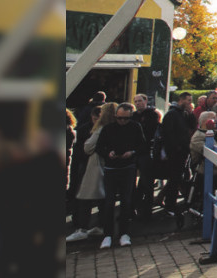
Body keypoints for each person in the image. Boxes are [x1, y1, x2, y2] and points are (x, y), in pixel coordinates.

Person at [96, 102, 145, 248]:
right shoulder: (108, 128)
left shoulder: (135, 127)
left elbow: (142, 145)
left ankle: (124, 233)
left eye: (125, 118)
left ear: (131, 116)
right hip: (111, 168)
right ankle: (108, 235)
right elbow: (99, 147)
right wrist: (108, 153)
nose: (122, 121)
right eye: (119, 118)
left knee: (126, 201)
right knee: (109, 203)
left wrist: (132, 152)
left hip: (128, 167)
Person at [66, 105, 109, 242]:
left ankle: (83, 227)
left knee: (85, 196)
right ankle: (93, 225)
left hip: (91, 165)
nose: (95, 120)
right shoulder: (87, 128)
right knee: (96, 197)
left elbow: (87, 148)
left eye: (97, 118)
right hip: (90, 165)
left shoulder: (98, 129)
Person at [159, 91, 196, 218]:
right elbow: (167, 134)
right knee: (174, 179)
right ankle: (170, 205)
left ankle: (167, 201)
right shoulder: (172, 114)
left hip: (182, 152)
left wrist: (191, 113)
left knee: (177, 178)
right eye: (188, 100)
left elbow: (192, 125)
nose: (190, 103)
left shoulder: (184, 114)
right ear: (181, 100)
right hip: (175, 153)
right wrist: (176, 148)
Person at [131, 93, 161, 220]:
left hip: (146, 152)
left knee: (147, 182)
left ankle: (146, 210)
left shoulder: (152, 114)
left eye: (139, 101)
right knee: (132, 182)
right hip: (134, 152)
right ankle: (132, 208)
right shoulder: (133, 116)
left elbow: (150, 132)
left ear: (145, 101)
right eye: (135, 101)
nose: (137, 103)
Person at [188, 111, 217, 215]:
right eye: (213, 118)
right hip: (204, 171)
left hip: (216, 169)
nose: (216, 121)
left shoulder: (216, 133)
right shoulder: (198, 137)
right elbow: (210, 151)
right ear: (206, 121)